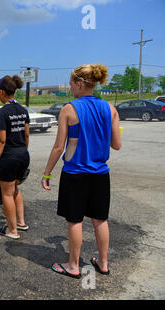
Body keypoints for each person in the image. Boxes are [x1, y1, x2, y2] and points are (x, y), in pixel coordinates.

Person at [41, 64, 122, 279]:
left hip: (75, 174)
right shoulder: (110, 109)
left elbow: (59, 147)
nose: (70, 89)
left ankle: (74, 265)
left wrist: (47, 173)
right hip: (100, 174)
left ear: (78, 84)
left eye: (70, 85)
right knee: (100, 219)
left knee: (75, 220)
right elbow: (116, 145)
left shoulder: (69, 109)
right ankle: (103, 263)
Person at [0, 75, 30, 240]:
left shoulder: (2, 112)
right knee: (15, 189)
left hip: (9, 157)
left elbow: (1, 140)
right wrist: (22, 151)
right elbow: (26, 134)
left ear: (1, 92)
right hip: (23, 154)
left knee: (6, 193)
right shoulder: (23, 110)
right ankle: (21, 222)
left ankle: (11, 230)